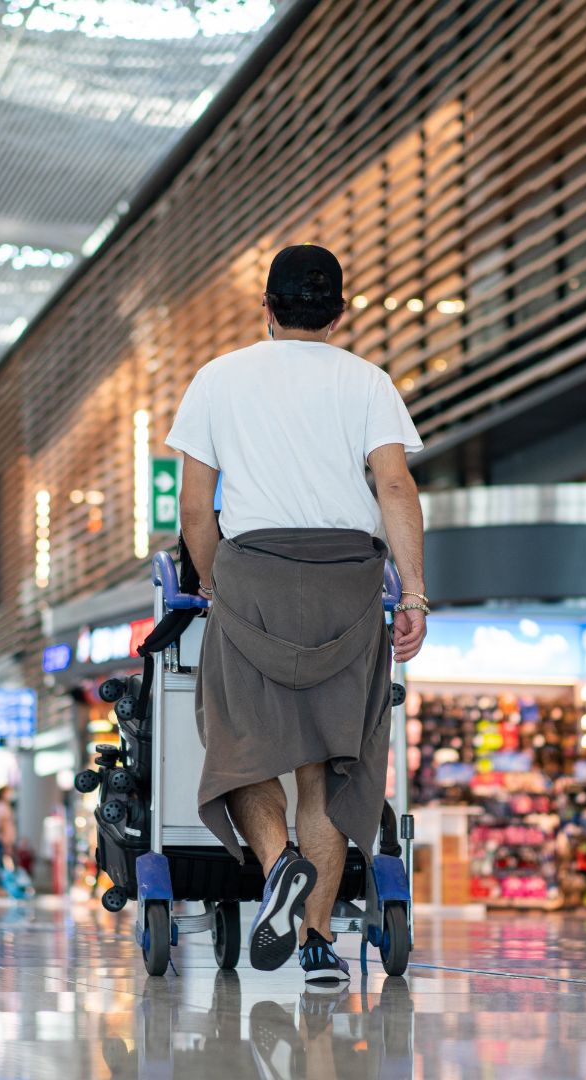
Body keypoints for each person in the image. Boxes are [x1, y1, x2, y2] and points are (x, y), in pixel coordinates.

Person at [166, 244, 427, 986]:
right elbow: (396, 487)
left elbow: (194, 507)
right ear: (339, 311)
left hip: (253, 574)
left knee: (244, 749)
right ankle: (316, 944)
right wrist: (411, 593)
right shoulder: (369, 382)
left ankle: (277, 864)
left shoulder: (219, 378)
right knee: (328, 768)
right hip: (347, 579)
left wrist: (219, 586)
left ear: (267, 306)